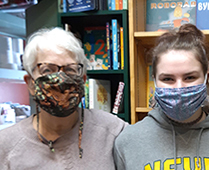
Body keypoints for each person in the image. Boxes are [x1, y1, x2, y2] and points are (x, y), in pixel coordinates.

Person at [114, 24, 209, 170]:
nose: (179, 88)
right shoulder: (128, 142)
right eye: (168, 79)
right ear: (155, 81)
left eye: (190, 77)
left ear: (206, 78)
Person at [0, 27, 128, 169]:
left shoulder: (114, 132)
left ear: (83, 80)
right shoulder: (5, 146)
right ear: (30, 83)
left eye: (70, 70)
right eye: (47, 70)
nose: (60, 80)